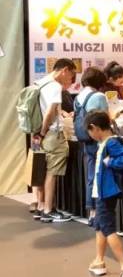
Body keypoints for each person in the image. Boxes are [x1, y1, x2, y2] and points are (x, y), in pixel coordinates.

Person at [84, 110, 123, 277]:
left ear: (94, 128)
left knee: (107, 228)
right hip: (102, 191)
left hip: (106, 193)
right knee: (100, 225)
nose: (89, 135)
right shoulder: (105, 143)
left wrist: (111, 162)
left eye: (89, 131)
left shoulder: (111, 142)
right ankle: (99, 261)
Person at [32, 58, 76, 223]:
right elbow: (50, 113)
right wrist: (44, 132)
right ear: (65, 70)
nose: (70, 79)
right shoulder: (55, 86)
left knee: (41, 169)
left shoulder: (40, 82)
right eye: (71, 75)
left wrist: (38, 133)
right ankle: (49, 210)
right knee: (52, 172)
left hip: (38, 132)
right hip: (52, 134)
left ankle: (41, 206)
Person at [74, 67, 110, 223]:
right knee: (101, 175)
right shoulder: (99, 96)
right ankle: (101, 211)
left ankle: (92, 212)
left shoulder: (79, 97)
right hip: (99, 140)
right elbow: (106, 119)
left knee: (91, 176)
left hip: (86, 140)